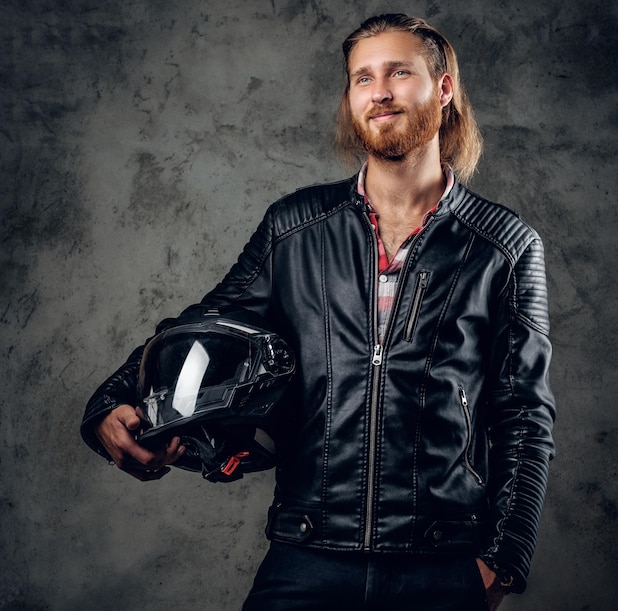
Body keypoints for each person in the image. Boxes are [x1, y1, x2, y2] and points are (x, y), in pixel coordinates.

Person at [81, 14, 555, 611]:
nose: (379, 91)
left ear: (443, 89)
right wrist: (109, 405)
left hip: (443, 563)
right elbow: (205, 324)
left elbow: (524, 414)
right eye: (362, 77)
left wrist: (503, 563)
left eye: (399, 72)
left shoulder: (506, 246)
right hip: (305, 556)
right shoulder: (293, 228)